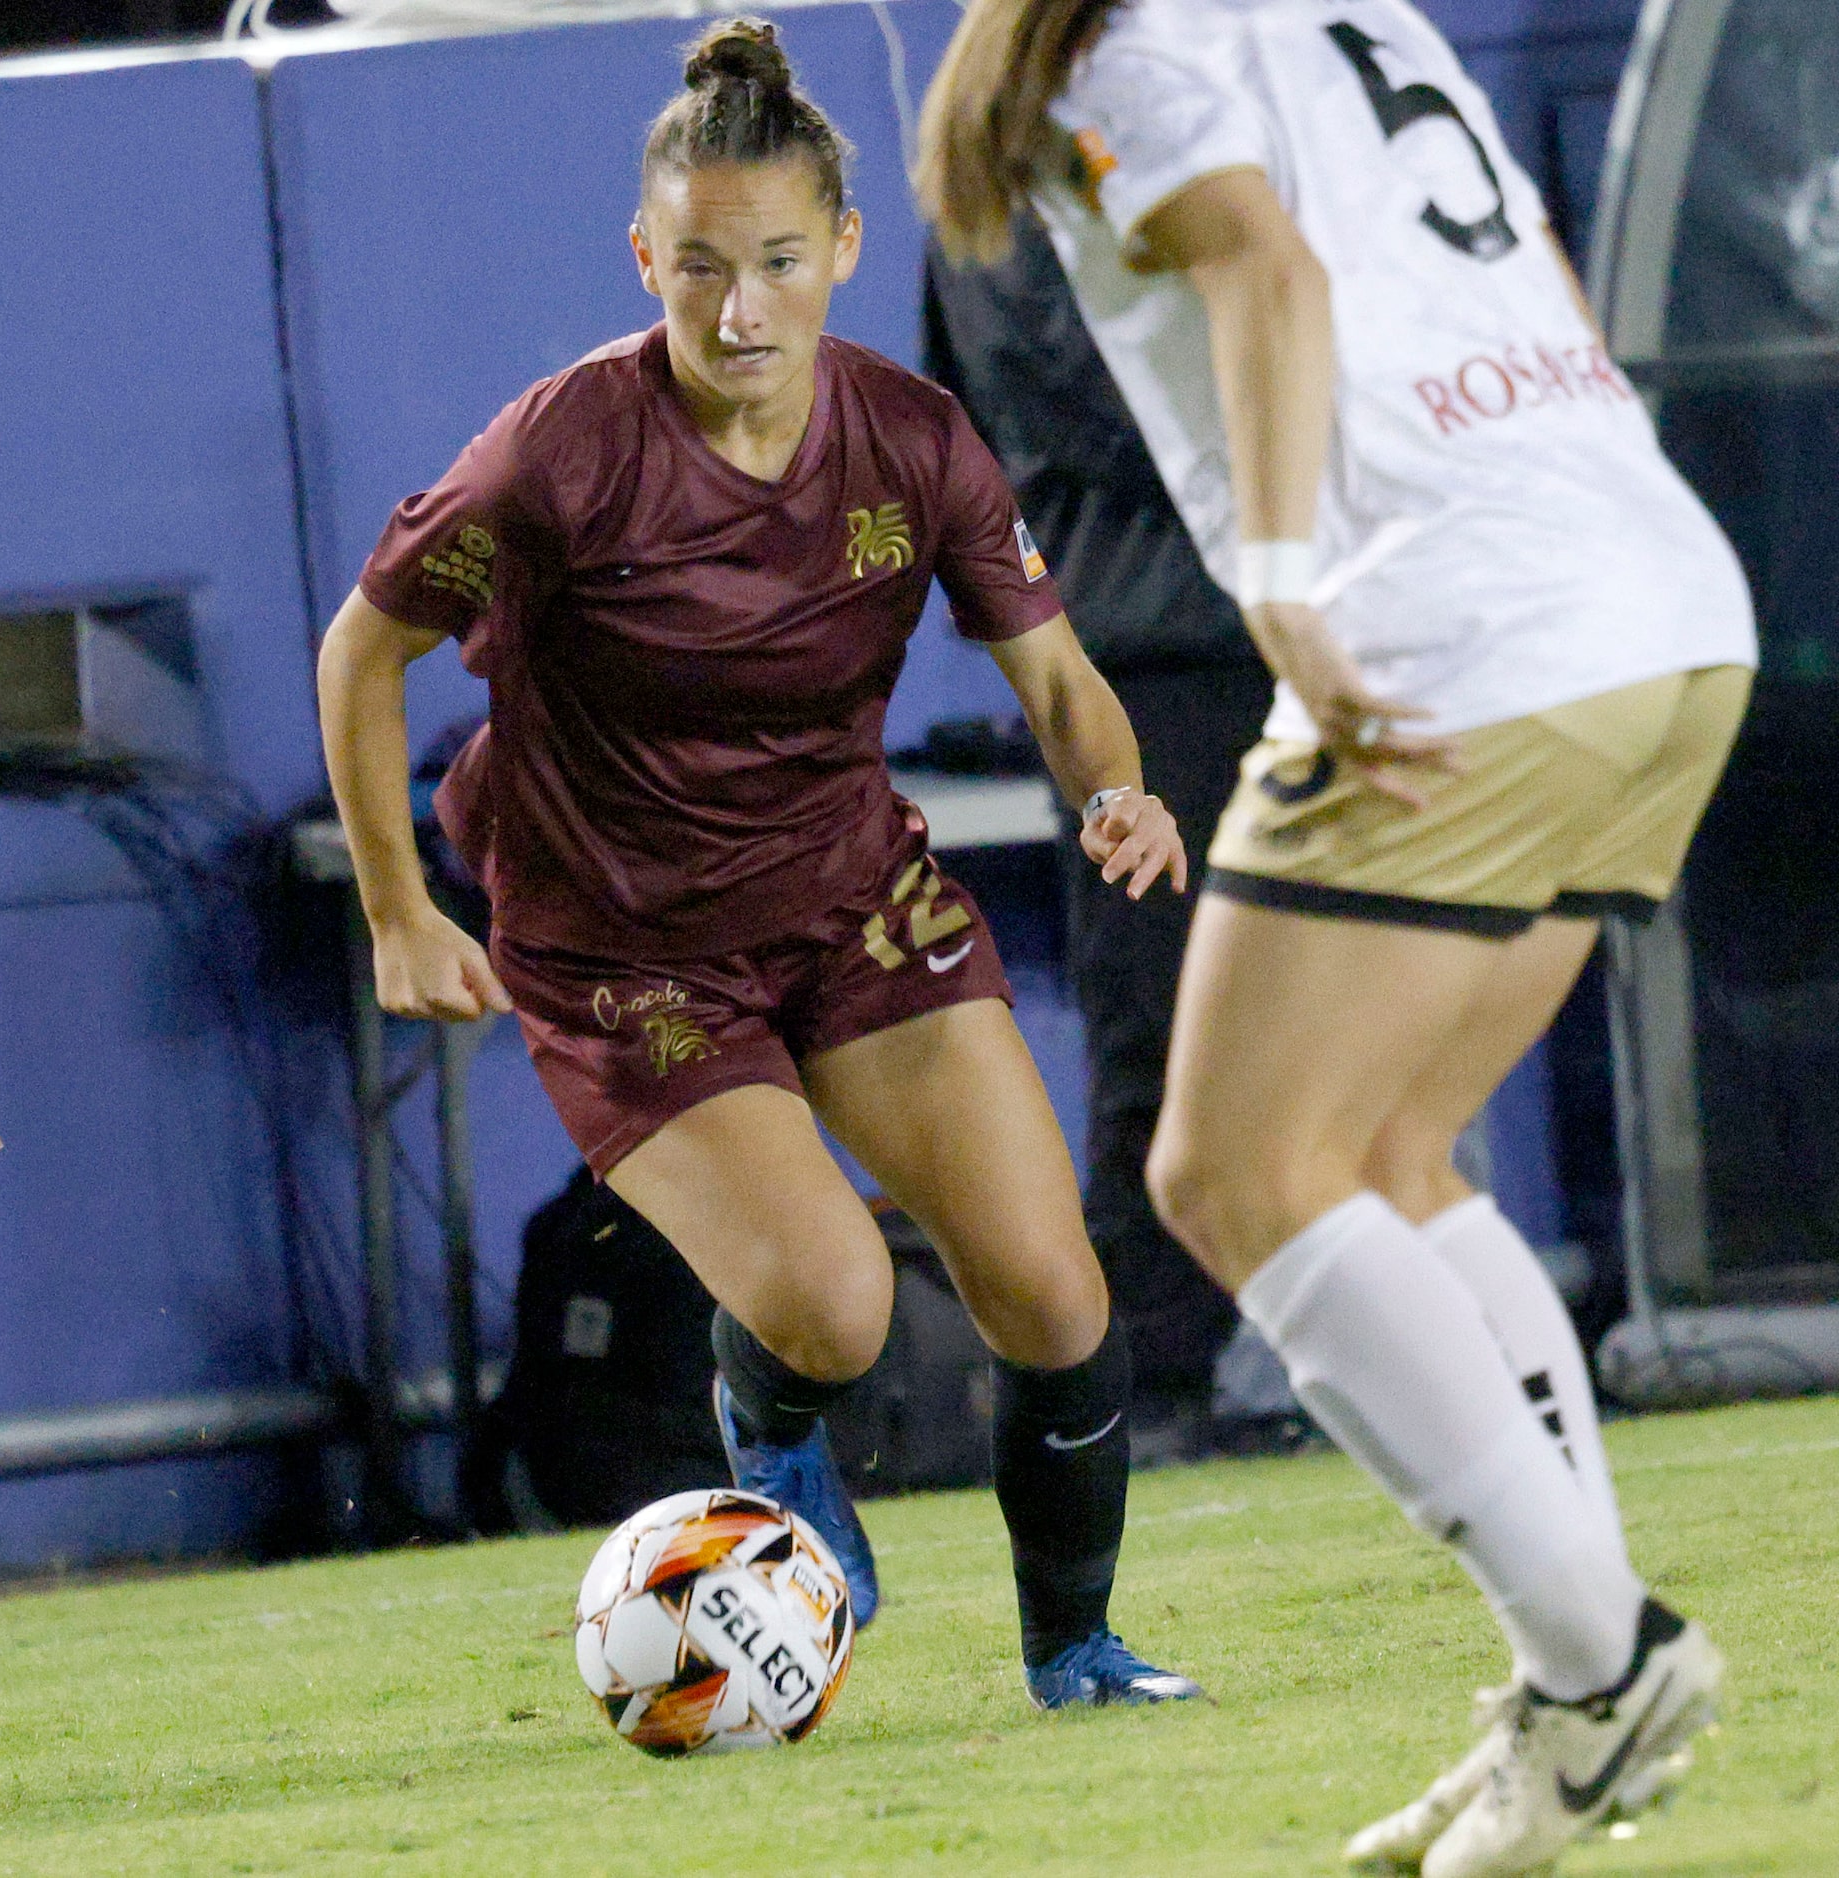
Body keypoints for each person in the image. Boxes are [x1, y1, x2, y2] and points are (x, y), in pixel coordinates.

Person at [917, 1, 1753, 1870]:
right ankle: (1574, 1699)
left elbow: (1261, 265)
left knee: (1229, 1167)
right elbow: (1525, 262)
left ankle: (1600, 1662)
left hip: (1447, 624)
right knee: (1384, 1156)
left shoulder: (1126, 44)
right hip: (1656, 601)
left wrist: (1287, 588)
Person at [320, 15, 1200, 1709]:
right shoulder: (554, 454)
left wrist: (1116, 792)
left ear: (844, 251)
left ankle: (1074, 1649)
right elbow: (363, 653)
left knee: (1052, 1287)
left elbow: (1063, 684)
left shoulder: (913, 440)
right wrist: (390, 904)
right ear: (645, 255)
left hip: (853, 901)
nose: (740, 309)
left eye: (781, 262)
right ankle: (772, 1427)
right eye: (700, 268)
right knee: (838, 1307)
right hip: (624, 945)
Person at [922, 211, 1270, 1441]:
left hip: (1287, 636)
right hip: (1148, 675)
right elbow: (1104, 409)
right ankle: (1142, 1399)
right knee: (1161, 1043)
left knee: (1347, 1040)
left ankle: (1298, 1366)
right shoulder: (993, 201)